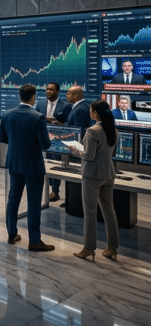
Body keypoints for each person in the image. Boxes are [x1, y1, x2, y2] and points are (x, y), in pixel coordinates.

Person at [0, 84, 55, 252]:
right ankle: (35, 241)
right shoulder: (38, 117)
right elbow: (45, 145)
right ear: (33, 98)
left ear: (19, 96)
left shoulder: (7, 114)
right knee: (33, 203)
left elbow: (2, 138)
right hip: (33, 166)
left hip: (14, 163)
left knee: (13, 199)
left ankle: (11, 234)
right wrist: (48, 137)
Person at [69, 99, 120, 261]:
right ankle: (112, 247)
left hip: (92, 176)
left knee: (90, 212)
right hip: (108, 174)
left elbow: (89, 156)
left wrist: (76, 150)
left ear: (95, 113)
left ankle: (89, 248)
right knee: (109, 210)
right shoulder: (113, 129)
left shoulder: (93, 131)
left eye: (91, 110)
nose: (89, 112)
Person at [35, 82, 72, 201]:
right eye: (47, 89)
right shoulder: (40, 104)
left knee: (55, 164)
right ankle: (48, 188)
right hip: (43, 138)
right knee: (45, 164)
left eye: (51, 90)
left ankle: (55, 191)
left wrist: (58, 123)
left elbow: (69, 123)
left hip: (57, 140)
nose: (48, 91)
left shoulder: (66, 106)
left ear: (57, 91)